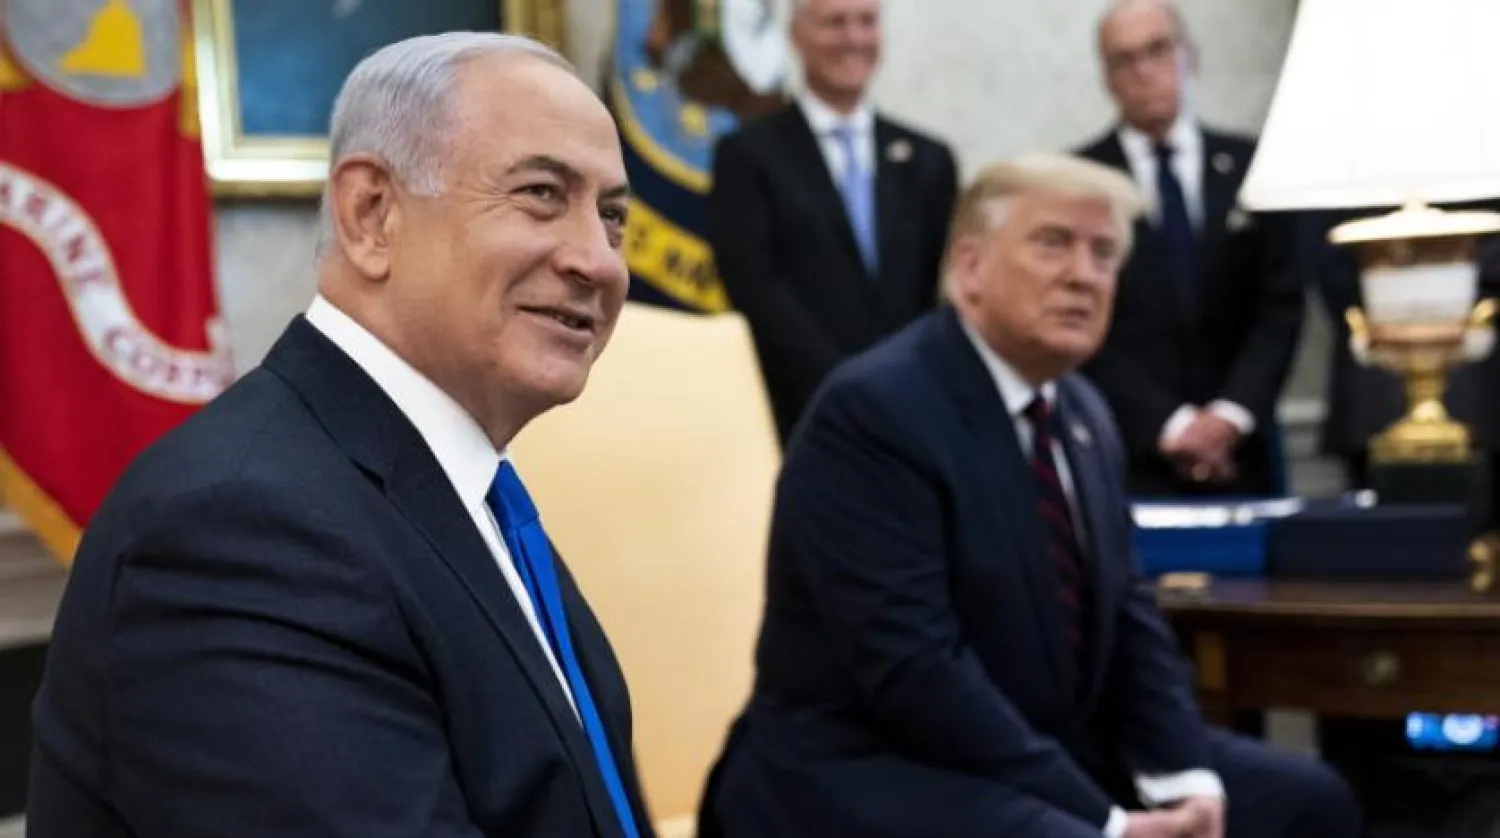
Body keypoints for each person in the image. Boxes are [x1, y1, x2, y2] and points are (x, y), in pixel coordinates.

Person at [28, 33, 654, 838]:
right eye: (540, 193)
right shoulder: (241, 531)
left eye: (612, 218)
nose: (597, 261)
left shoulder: (461, 494)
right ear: (372, 215)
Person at [697, 154, 1360, 838]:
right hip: (867, 767)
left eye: (1104, 253)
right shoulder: (873, 412)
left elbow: (1130, 617)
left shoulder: (1083, 412)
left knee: (1306, 801)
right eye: (1053, 244)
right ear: (971, 267)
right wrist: (1107, 821)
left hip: (1037, 751)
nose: (1084, 274)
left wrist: (1184, 779)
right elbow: (916, 673)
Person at [1076, 0, 1303, 497]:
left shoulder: (1252, 167)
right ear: (1107, 77)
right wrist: (1171, 425)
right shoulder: (1082, 183)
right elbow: (1083, 318)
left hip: (1246, 448)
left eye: (1157, 50)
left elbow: (1280, 307)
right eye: (1124, 59)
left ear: (1188, 56)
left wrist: (1228, 416)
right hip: (1132, 450)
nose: (1144, 71)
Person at [707, 0, 959, 444]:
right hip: (798, 411)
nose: (853, 38)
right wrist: (847, 385)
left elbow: (944, 286)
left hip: (917, 406)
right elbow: (755, 289)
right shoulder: (748, 155)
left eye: (866, 22)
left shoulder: (929, 159)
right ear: (797, 37)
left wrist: (908, 382)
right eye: (834, 23)